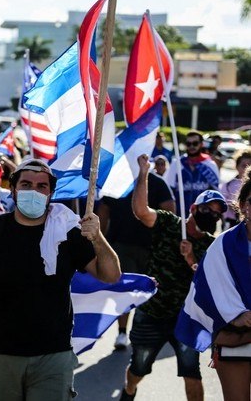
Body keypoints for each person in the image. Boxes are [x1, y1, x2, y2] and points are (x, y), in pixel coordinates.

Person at [0, 159, 120, 401]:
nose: (33, 191)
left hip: (54, 354)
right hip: (2, 353)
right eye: (26, 184)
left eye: (41, 186)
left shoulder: (67, 232)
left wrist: (97, 238)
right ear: (13, 190)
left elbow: (111, 275)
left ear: (50, 193)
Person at [120, 155, 224, 401]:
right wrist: (144, 173)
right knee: (139, 367)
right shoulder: (169, 224)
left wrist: (190, 259)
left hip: (186, 318)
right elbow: (140, 211)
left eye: (217, 215)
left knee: (192, 372)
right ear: (193, 209)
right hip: (152, 312)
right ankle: (129, 390)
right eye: (207, 210)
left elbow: (210, 281)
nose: (211, 216)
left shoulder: (213, 245)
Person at [175, 169, 251, 401]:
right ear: (242, 205)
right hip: (235, 339)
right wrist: (237, 316)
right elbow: (209, 287)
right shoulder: (223, 245)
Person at [97, 162, 176, 350]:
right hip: (120, 247)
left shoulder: (158, 183)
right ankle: (122, 333)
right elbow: (104, 210)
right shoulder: (117, 181)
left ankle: (142, 332)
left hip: (151, 248)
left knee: (148, 292)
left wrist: (167, 242)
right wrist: (98, 242)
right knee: (124, 292)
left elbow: (170, 208)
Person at [165, 130, 220, 214]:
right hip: (181, 216)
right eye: (188, 144)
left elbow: (215, 192)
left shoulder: (210, 164)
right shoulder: (177, 163)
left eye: (195, 143)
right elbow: (169, 190)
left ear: (201, 144)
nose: (191, 146)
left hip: (203, 216)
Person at [220, 151, 251, 228]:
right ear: (237, 167)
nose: (246, 169)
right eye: (243, 166)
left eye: (250, 165)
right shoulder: (228, 185)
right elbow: (223, 204)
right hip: (232, 222)